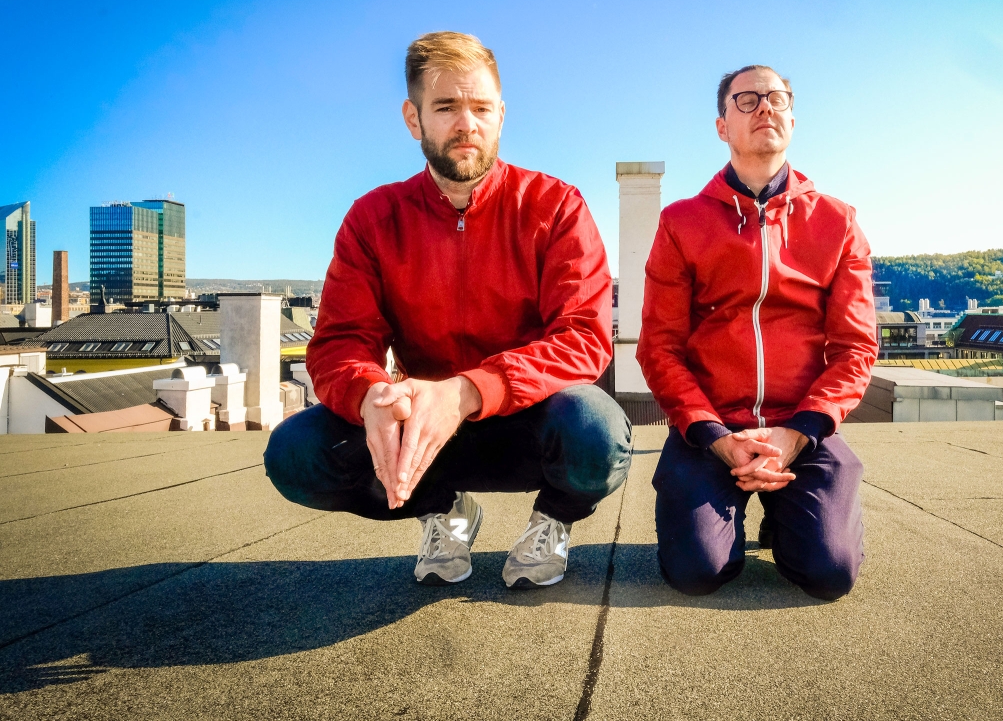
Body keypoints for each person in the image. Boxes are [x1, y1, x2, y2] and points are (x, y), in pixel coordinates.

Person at [264, 31, 631, 590]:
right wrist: (372, 395)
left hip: (532, 422)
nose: (467, 124)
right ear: (413, 119)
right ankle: (445, 508)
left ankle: (553, 522)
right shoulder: (373, 218)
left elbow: (583, 336)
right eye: (446, 107)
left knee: (597, 433)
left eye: (481, 107)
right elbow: (340, 340)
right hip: (423, 432)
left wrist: (467, 390)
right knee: (295, 455)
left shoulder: (557, 206)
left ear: (502, 115)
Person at [637, 64, 877, 599]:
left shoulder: (838, 222)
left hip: (803, 429)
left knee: (828, 573)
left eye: (776, 98)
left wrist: (796, 434)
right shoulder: (682, 223)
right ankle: (718, 515)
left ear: (792, 118)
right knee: (698, 572)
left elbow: (855, 347)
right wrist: (713, 436)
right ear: (722, 126)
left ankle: (788, 518)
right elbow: (660, 347)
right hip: (710, 430)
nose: (764, 106)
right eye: (746, 100)